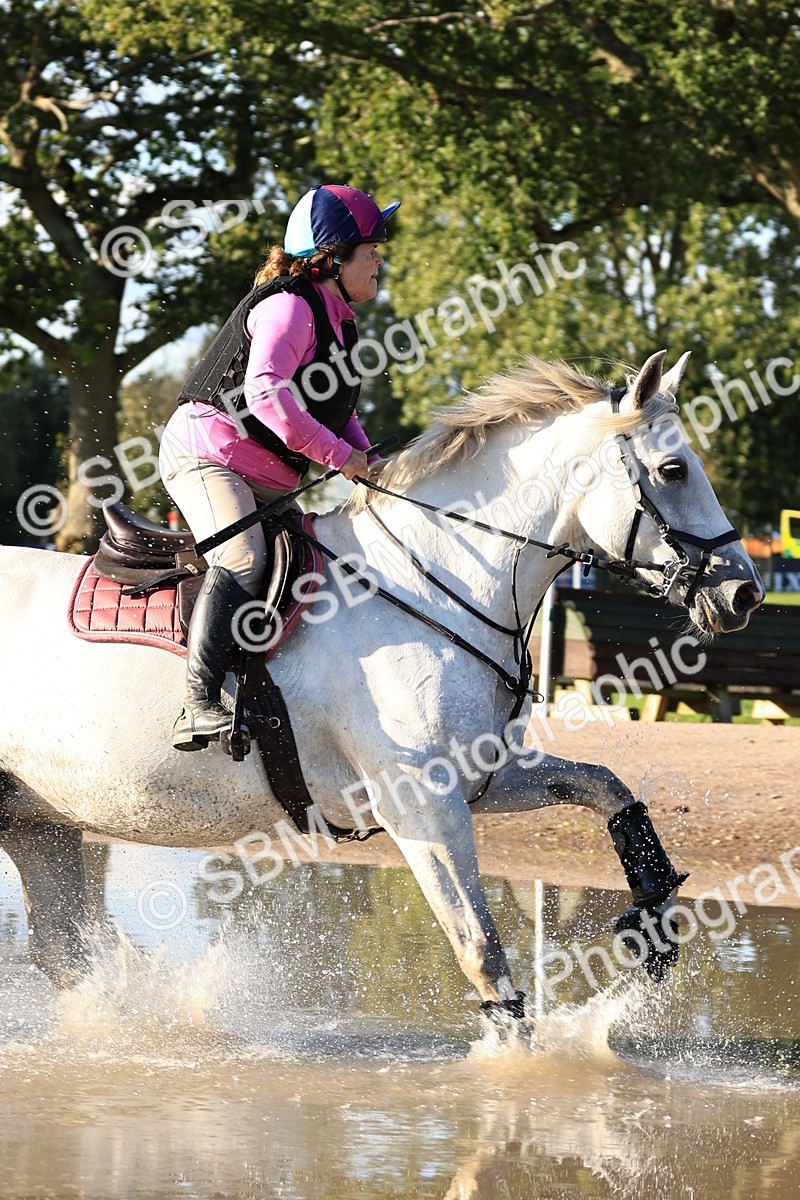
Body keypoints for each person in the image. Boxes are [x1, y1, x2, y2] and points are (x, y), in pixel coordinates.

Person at [158, 183, 400, 751]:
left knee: (323, 557)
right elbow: (265, 395)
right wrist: (344, 461)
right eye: (372, 249)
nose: (380, 259)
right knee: (243, 558)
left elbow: (338, 413)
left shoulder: (342, 322)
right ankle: (196, 702)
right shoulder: (289, 307)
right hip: (208, 456)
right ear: (333, 257)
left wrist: (378, 466)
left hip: (268, 475)